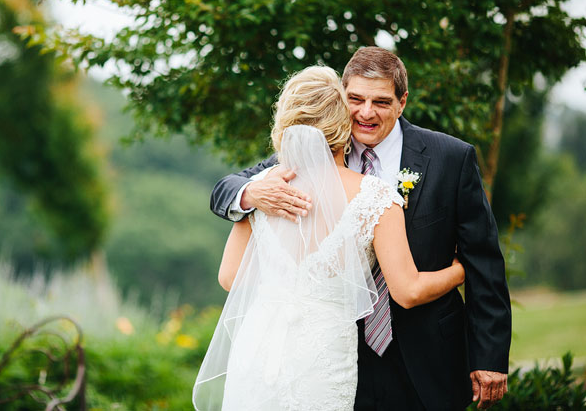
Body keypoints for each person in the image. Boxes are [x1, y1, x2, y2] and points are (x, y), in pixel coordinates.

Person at [209, 47, 511, 410]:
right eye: (355, 99)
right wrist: (250, 194)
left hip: (422, 353)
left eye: (381, 102)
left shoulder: (451, 158)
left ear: (403, 102)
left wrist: (489, 357)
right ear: (340, 99)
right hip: (336, 350)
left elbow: (485, 259)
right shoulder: (285, 169)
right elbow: (229, 187)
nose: (366, 112)